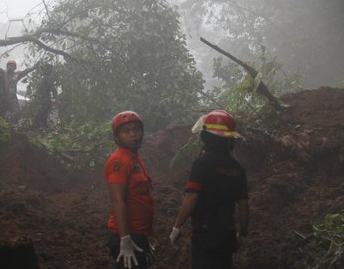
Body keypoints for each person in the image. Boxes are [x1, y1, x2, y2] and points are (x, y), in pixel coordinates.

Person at [169, 110, 249, 269]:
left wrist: (177, 227)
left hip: (205, 234)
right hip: (227, 233)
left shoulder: (201, 164)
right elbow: (244, 206)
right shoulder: (238, 169)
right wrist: (243, 234)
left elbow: (191, 198)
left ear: (205, 137)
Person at [105, 111, 156, 269]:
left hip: (138, 234)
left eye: (136, 129)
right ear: (116, 137)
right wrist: (125, 238)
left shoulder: (134, 159)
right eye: (126, 131)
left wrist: (144, 240)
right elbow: (117, 200)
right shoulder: (118, 161)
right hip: (128, 235)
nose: (133, 134)